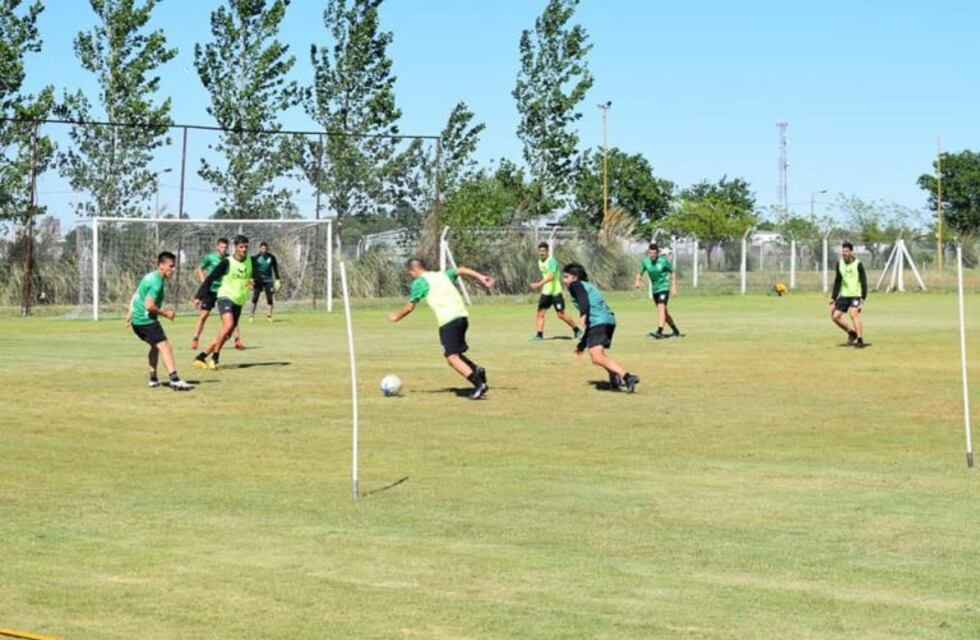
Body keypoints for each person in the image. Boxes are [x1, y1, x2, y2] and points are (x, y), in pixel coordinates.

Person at [388, 258, 495, 400]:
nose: (411, 276)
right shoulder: (441, 275)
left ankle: (479, 384)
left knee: (451, 358)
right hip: (462, 317)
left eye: (410, 273)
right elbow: (460, 269)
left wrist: (396, 316)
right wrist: (481, 277)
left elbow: (410, 307)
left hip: (448, 320)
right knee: (455, 353)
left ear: (414, 270)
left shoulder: (420, 282)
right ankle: (476, 370)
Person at [564, 263, 640, 393]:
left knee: (597, 357)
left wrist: (583, 313)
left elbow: (584, 302)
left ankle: (627, 377)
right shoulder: (588, 286)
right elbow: (590, 319)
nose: (564, 280)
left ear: (574, 277)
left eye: (566, 277)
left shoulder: (575, 285)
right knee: (598, 354)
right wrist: (582, 345)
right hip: (608, 320)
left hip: (599, 321)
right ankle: (614, 376)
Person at [125, 251, 194, 391]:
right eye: (171, 266)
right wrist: (166, 313)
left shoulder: (149, 276)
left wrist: (130, 312)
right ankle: (174, 380)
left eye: (174, 266)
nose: (174, 269)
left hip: (137, 321)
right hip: (146, 321)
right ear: (161, 266)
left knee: (155, 347)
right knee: (165, 347)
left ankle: (153, 378)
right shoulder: (156, 282)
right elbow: (149, 306)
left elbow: (137, 294)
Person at [192, 235, 258, 370]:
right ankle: (215, 358)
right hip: (225, 296)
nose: (244, 249)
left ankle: (201, 357)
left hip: (239, 300)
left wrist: (254, 282)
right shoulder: (227, 262)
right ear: (235, 247)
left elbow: (257, 278)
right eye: (241, 246)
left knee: (226, 335)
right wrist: (199, 295)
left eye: (246, 246)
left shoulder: (251, 261)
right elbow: (210, 278)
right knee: (228, 325)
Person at [191, 237, 244, 351]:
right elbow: (200, 268)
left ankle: (237, 340)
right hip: (210, 290)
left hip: (224, 291)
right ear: (217, 247)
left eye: (226, 247)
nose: (224, 249)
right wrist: (204, 281)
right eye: (222, 247)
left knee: (230, 317)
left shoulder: (229, 259)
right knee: (204, 315)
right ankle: (195, 338)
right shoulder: (210, 258)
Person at [529, 241, 580, 341]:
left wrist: (538, 284)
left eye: (543, 251)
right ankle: (539, 335)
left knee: (560, 314)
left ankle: (577, 330)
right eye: (540, 251)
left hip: (555, 292)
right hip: (546, 292)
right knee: (540, 313)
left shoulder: (551, 261)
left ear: (547, 251)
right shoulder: (540, 262)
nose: (541, 253)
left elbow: (551, 276)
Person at [634, 243, 681, 339]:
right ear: (648, 252)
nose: (652, 255)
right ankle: (675, 331)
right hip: (655, 290)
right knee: (664, 313)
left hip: (664, 287)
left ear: (657, 253)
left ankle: (659, 331)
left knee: (661, 308)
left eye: (654, 253)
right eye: (650, 253)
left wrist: (674, 288)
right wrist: (637, 282)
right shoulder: (645, 262)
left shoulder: (663, 261)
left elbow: (672, 272)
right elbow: (640, 272)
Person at [830, 241, 868, 348]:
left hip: (856, 294)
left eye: (847, 251)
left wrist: (863, 298)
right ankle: (852, 333)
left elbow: (864, 281)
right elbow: (838, 281)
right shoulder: (840, 263)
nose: (844, 253)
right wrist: (833, 297)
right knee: (835, 317)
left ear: (851, 252)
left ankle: (860, 340)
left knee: (853, 313)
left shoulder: (858, 264)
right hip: (845, 294)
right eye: (843, 251)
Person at [250, 242, 281, 323]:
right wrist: (251, 279)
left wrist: (277, 279)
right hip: (258, 280)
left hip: (268, 280)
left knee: (270, 299)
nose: (264, 250)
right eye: (262, 248)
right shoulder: (255, 258)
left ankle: (269, 316)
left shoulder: (271, 257)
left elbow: (275, 268)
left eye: (265, 248)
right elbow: (252, 270)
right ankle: (251, 315)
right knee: (255, 298)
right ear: (260, 248)